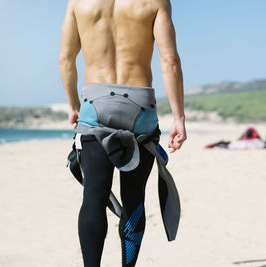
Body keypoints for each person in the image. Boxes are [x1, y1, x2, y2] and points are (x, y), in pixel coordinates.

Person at [58, 0, 186, 266]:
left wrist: (73, 106)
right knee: (134, 197)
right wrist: (179, 117)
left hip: (94, 104)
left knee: (94, 196)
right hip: (139, 105)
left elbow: (66, 59)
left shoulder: (78, 2)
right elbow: (170, 60)